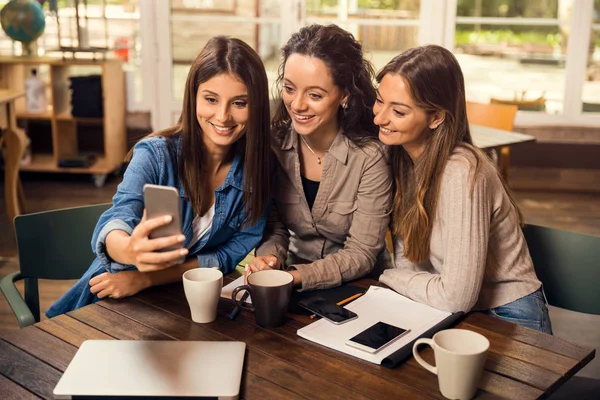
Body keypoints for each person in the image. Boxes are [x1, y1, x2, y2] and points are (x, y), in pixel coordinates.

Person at [46, 36, 272, 317]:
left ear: (258, 106)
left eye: (239, 103)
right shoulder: (155, 154)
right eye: (211, 99)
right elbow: (118, 217)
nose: (223, 116)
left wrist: (145, 279)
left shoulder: (258, 170)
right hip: (109, 298)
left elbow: (227, 255)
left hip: (176, 300)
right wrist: (130, 250)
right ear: (193, 96)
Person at [374, 45, 552, 333]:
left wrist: (389, 277)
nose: (379, 118)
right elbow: (412, 260)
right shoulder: (402, 158)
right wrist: (405, 280)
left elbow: (456, 296)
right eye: (379, 101)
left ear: (436, 117)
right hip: (445, 308)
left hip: (508, 314)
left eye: (398, 111)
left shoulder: (463, 172)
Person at [247, 24, 392, 291]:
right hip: (289, 279)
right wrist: (270, 258)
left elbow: (362, 253)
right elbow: (275, 225)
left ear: (344, 95)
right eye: (290, 89)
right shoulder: (274, 144)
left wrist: (294, 276)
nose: (298, 104)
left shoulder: (370, 157)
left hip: (361, 288)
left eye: (315, 95)